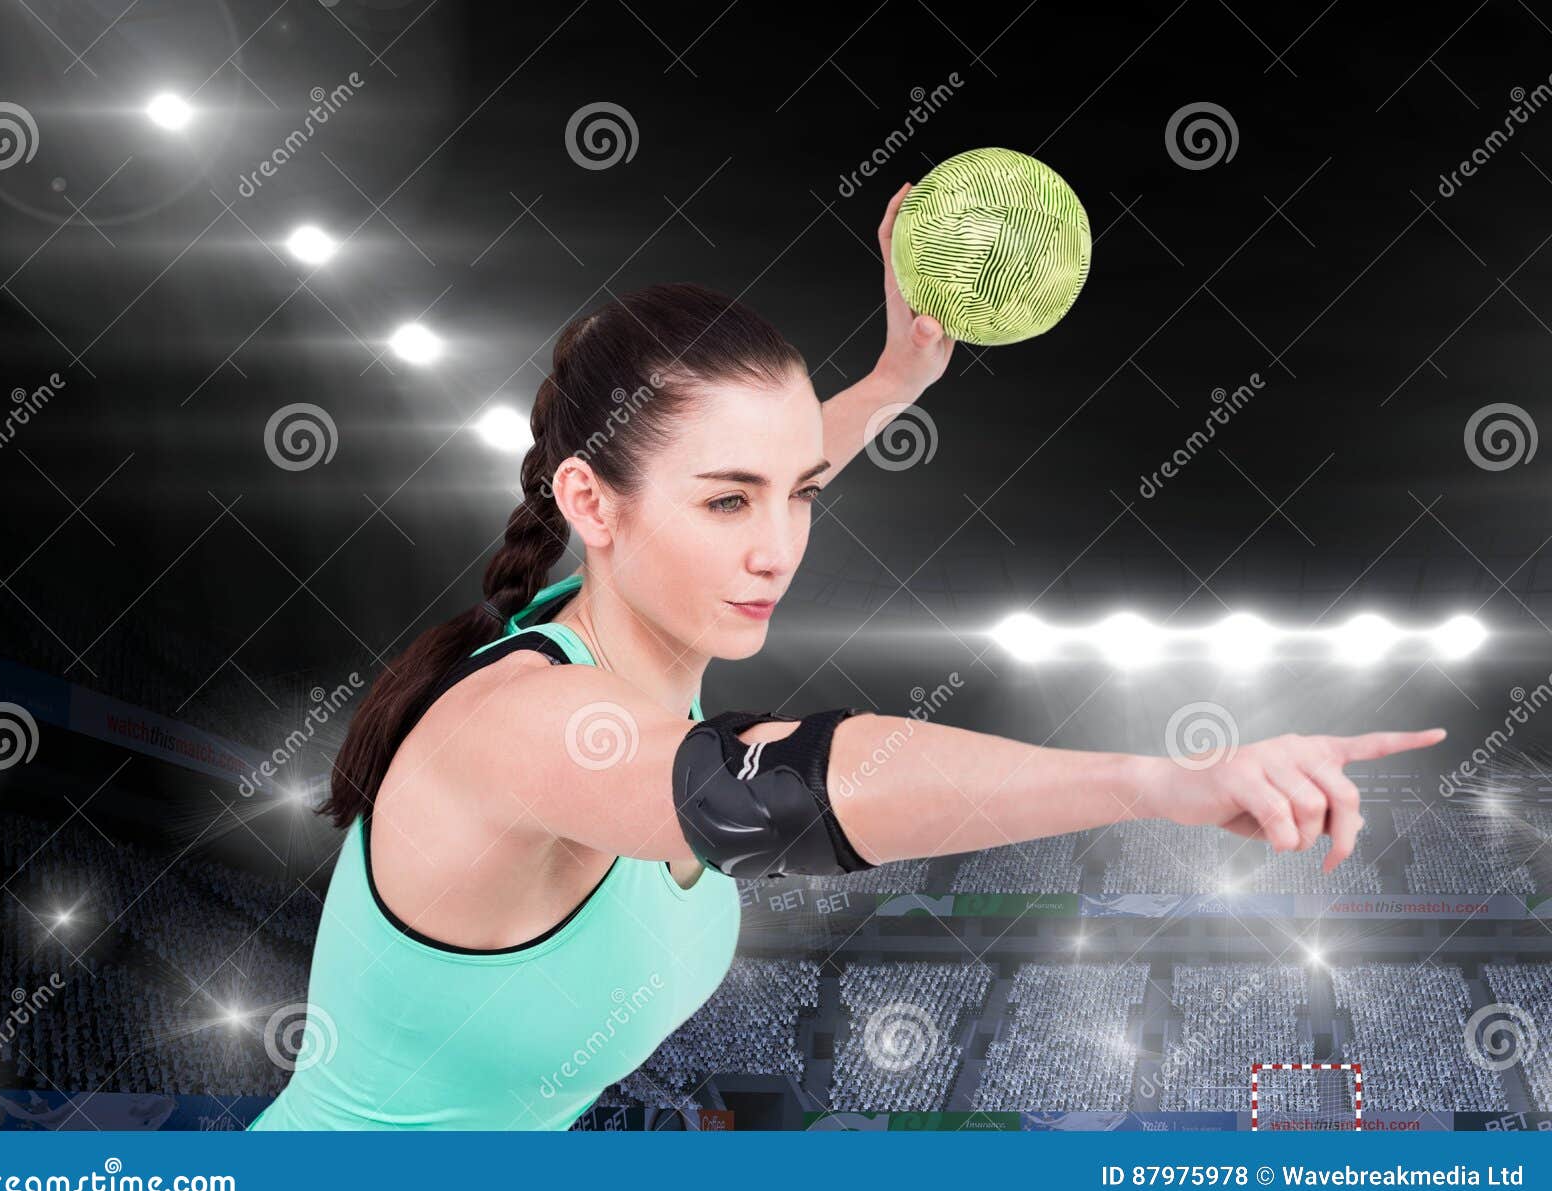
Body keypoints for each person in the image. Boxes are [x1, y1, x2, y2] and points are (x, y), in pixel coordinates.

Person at [246, 185, 1445, 1131]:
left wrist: (894, 378)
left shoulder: (601, 610)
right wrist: (1160, 784)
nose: (776, 551)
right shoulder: (522, 727)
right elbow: (775, 793)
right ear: (591, 503)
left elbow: (760, 458)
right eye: (727, 506)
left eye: (800, 496)